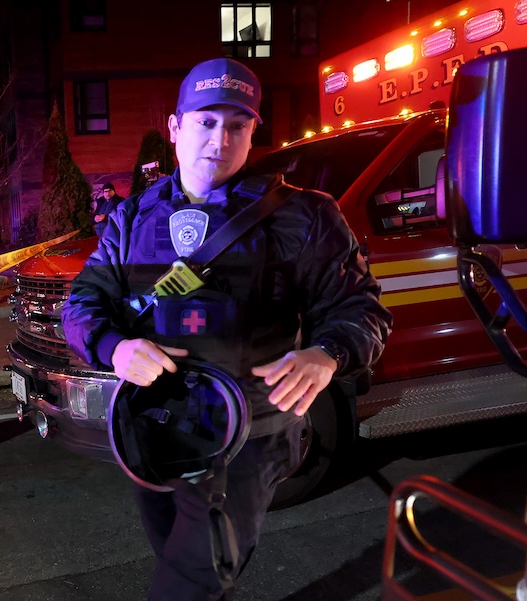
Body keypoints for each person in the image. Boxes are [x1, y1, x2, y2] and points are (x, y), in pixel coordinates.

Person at [61, 58, 391, 599]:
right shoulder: (132, 218)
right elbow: (82, 304)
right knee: (191, 568)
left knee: (187, 584)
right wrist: (115, 348)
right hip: (154, 432)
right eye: (205, 121)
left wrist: (327, 354)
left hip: (249, 439)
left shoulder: (303, 216)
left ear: (252, 131)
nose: (220, 138)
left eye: (237, 125)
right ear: (175, 127)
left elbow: (363, 310)